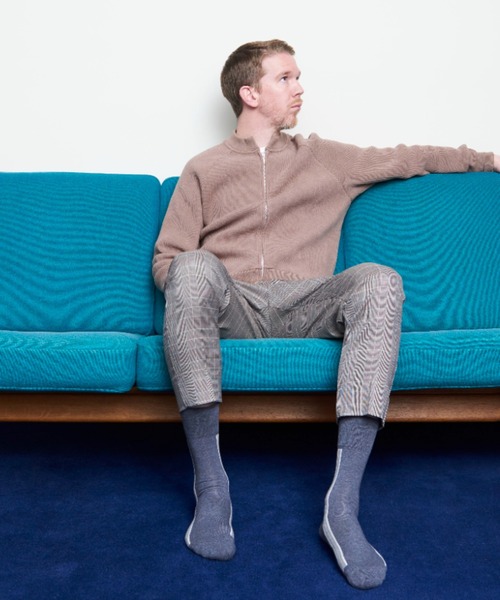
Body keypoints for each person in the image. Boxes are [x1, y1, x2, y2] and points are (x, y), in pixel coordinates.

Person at [153, 39, 499, 590]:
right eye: (285, 78)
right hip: (233, 306)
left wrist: (487, 160)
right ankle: (212, 488)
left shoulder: (325, 159)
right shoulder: (203, 169)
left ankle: (342, 506)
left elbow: (410, 157)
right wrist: (199, 287)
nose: (299, 88)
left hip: (307, 302)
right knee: (191, 266)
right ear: (250, 93)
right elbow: (166, 260)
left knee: (380, 280)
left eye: (298, 77)